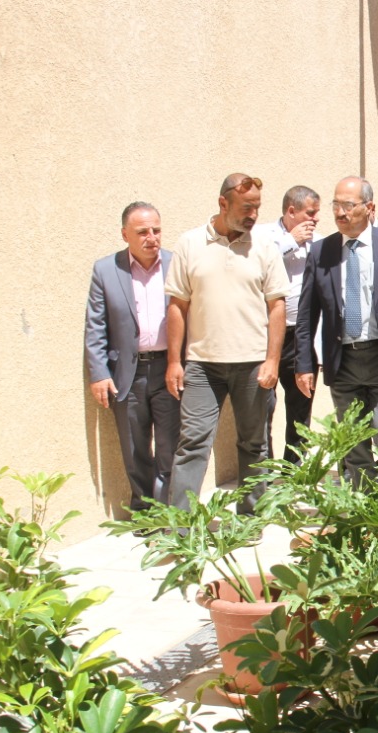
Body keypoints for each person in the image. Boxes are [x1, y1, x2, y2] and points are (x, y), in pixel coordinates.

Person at [165, 173, 290, 513]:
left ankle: (251, 517)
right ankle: (181, 526)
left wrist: (272, 360)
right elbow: (177, 305)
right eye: (246, 208)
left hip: (253, 364)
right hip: (202, 365)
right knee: (193, 443)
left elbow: (277, 306)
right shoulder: (190, 243)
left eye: (257, 207)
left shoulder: (264, 247)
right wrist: (174, 361)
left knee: (254, 443)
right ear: (223, 203)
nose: (253, 215)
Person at [296, 177, 378, 484]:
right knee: (353, 438)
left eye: (348, 205)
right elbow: (307, 314)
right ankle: (364, 498)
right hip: (342, 359)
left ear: (369, 207)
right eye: (336, 205)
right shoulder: (321, 251)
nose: (340, 212)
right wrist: (304, 364)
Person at [85, 202, 180, 515]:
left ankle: (166, 512)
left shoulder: (176, 264)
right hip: (128, 372)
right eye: (142, 232)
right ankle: (143, 510)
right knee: (135, 447)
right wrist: (99, 373)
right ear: (125, 234)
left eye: (156, 230)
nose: (152, 237)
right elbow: (96, 325)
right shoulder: (106, 270)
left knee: (169, 446)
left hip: (169, 368)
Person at [251, 185, 321, 463]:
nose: (316, 219)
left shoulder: (318, 242)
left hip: (302, 336)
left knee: (300, 406)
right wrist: (291, 241)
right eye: (310, 213)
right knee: (262, 406)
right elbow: (255, 266)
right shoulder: (262, 236)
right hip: (266, 335)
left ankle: (295, 468)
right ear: (291, 211)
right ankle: (264, 468)